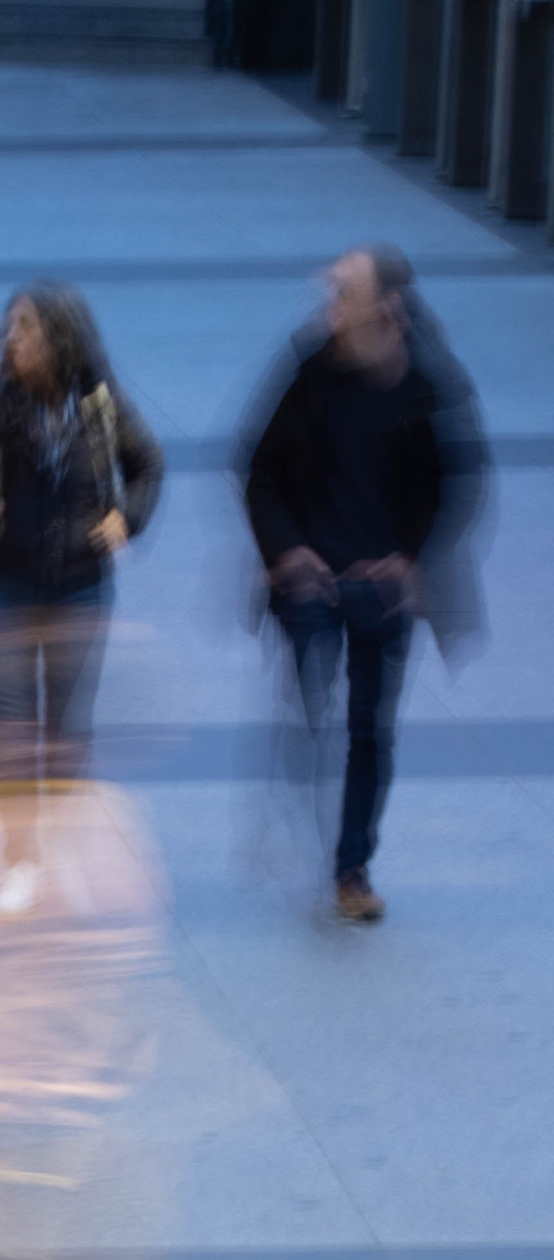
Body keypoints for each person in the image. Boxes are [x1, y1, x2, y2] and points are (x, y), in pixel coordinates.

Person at [239, 245, 488, 926]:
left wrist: (410, 560)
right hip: (313, 576)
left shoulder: (427, 386)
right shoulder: (310, 371)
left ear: (386, 307)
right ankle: (303, 788)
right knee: (312, 702)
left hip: (384, 588)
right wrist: (288, 552)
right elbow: (258, 469)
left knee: (370, 729)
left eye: (341, 294)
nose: (328, 308)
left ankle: (352, 865)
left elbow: (456, 483)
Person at [0, 284, 163, 920]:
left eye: (24, 328)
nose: (10, 339)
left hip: (80, 585)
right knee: (12, 724)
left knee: (65, 728)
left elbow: (148, 466)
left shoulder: (101, 404)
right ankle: (19, 857)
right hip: (3, 584)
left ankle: (55, 842)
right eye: (8, 328)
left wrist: (127, 517)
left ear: (60, 337)